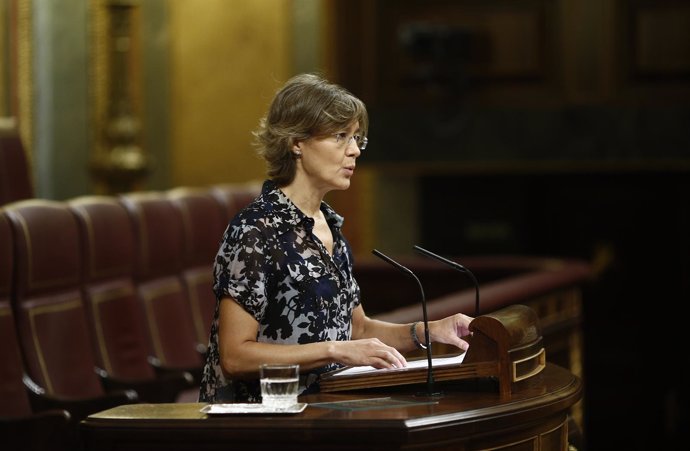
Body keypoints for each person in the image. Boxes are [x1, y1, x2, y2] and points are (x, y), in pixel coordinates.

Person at [198, 73, 473, 403]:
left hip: (324, 411)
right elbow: (235, 357)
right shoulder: (256, 230)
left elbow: (358, 330)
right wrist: (336, 351)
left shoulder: (329, 227)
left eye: (357, 138)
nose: (355, 150)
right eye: (341, 136)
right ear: (296, 141)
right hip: (261, 422)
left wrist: (429, 331)